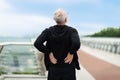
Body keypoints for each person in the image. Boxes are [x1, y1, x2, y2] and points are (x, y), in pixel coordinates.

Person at [34, 8, 81, 80]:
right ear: (65, 19)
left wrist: (49, 53)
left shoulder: (48, 31)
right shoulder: (72, 31)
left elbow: (37, 43)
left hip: (53, 67)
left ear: (55, 20)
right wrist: (71, 52)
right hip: (68, 67)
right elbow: (76, 43)